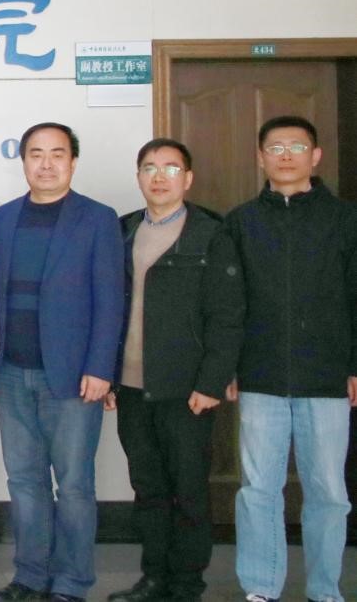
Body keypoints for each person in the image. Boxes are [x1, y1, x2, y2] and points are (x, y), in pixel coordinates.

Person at [0, 122, 124, 602]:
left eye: (57, 154)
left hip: (72, 375)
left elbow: (110, 299)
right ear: (23, 161)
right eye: (36, 154)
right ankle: (29, 577)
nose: (46, 164)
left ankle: (71, 582)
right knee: (24, 482)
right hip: (10, 371)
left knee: (75, 486)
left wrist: (102, 368)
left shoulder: (97, 218)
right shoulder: (1, 218)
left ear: (73, 162)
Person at [224, 115, 357, 602]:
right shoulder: (241, 222)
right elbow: (228, 303)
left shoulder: (344, 220)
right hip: (260, 374)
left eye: (297, 146)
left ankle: (325, 590)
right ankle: (261, 587)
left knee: (329, 493)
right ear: (260, 157)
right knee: (258, 489)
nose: (285, 155)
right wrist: (227, 366)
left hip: (327, 375)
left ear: (315, 156)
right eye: (275, 147)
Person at [104, 138, 243, 602]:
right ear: (138, 177)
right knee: (148, 488)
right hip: (130, 386)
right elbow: (107, 307)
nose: (159, 177)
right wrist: (108, 374)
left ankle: (186, 584)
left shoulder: (211, 233)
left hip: (187, 389)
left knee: (188, 491)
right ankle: (154, 578)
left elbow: (227, 315)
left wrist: (212, 381)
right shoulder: (123, 230)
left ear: (188, 178)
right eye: (149, 168)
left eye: (170, 168)